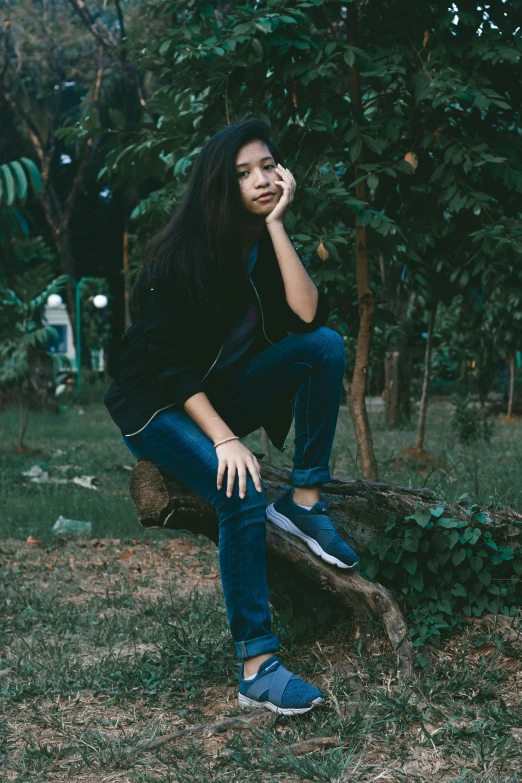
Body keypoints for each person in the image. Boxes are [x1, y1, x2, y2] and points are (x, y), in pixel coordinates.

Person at [104, 119, 359, 716]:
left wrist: (276, 226)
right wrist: (222, 439)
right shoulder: (183, 253)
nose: (261, 179)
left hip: (217, 391)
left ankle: (304, 504)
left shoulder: (260, 242)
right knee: (239, 493)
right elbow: (168, 369)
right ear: (221, 184)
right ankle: (256, 668)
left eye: (268, 166)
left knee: (325, 346)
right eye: (244, 173)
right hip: (157, 405)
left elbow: (306, 317)